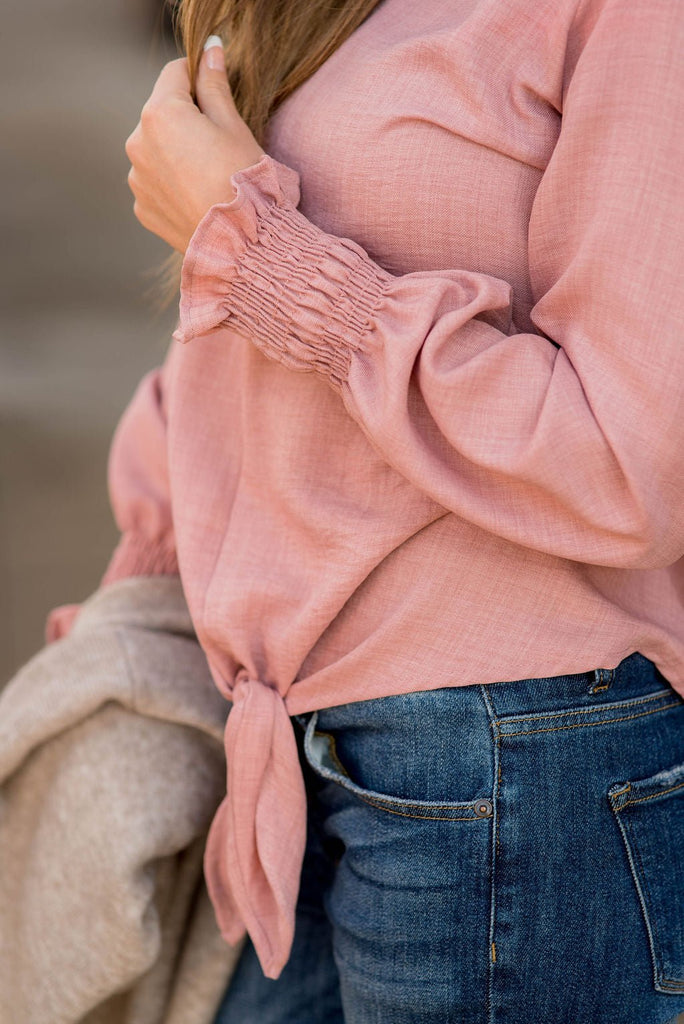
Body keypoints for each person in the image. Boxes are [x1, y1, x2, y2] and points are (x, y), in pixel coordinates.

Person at [46, 0, 684, 1020]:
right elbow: (223, 361)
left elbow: (631, 459)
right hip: (277, 746)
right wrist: (143, 616)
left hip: (511, 752)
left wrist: (266, 260)